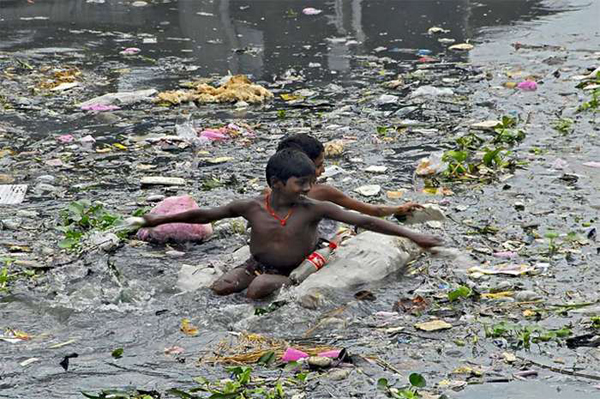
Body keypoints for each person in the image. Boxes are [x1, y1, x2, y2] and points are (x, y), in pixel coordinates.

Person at [130, 149, 442, 299]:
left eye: (311, 182)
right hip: (257, 263)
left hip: (295, 269)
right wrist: (162, 219)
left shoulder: (314, 209)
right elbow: (205, 215)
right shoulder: (251, 207)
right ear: (276, 183)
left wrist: (413, 235)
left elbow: (362, 220)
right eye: (300, 183)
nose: (307, 189)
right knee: (220, 287)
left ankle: (270, 306)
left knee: (259, 290)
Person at [276, 133, 423, 218]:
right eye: (319, 165)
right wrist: (400, 208)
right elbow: (373, 211)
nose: (323, 170)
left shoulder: (268, 194)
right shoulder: (323, 192)